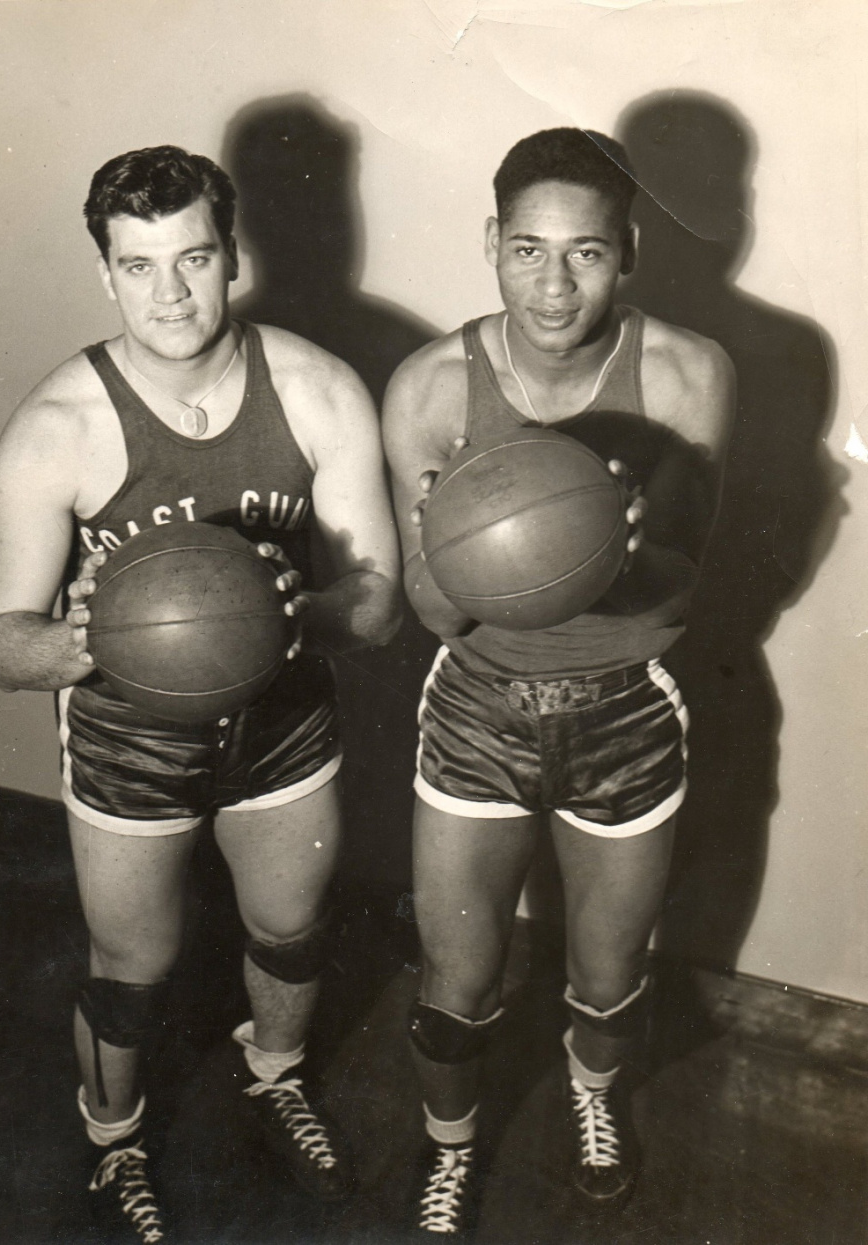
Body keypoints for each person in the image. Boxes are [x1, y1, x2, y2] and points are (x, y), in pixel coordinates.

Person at [0, 145, 401, 1242]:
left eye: (194, 259)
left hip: (282, 721)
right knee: (133, 966)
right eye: (138, 265)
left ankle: (277, 1073)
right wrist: (90, 639)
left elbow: (380, 606)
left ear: (234, 257)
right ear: (105, 275)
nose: (169, 294)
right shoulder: (56, 429)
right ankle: (112, 1137)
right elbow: (2, 645)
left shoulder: (316, 391)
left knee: (292, 925)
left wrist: (281, 613)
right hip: (129, 736)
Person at [382, 128, 735, 1236]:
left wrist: (611, 548)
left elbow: (683, 589)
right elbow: (432, 615)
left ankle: (593, 1104)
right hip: (477, 708)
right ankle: (448, 1151)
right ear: (490, 244)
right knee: (457, 974)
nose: (552, 283)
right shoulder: (431, 387)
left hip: (625, 707)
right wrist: (457, 540)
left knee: (607, 968)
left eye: (584, 253)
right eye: (526, 249)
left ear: (626, 253)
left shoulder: (685, 374)